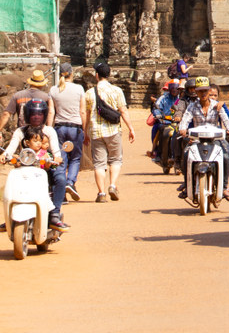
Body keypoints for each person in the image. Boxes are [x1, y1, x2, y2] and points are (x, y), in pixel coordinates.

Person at [0, 99, 68, 230]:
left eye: (40, 114)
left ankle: (54, 214)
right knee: (11, 182)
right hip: (23, 169)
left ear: (44, 115)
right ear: (27, 115)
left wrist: (57, 157)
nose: (36, 117)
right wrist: (5, 155)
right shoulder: (20, 131)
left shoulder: (49, 130)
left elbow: (55, 148)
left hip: (44, 168)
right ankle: (9, 216)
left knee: (60, 179)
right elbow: (11, 146)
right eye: (33, 114)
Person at [83, 62, 135, 203]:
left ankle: (101, 193)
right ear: (109, 75)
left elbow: (86, 115)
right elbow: (123, 110)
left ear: (97, 75)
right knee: (115, 159)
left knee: (99, 164)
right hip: (113, 130)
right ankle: (112, 185)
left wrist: (85, 132)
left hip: (96, 132)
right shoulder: (117, 91)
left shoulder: (89, 93)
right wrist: (130, 128)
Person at [178, 77, 229, 202]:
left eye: (205, 91)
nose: (203, 94)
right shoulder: (192, 107)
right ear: (196, 93)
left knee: (226, 156)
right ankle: (188, 185)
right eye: (200, 91)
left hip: (216, 139)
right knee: (186, 154)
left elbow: (226, 119)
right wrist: (182, 129)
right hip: (197, 139)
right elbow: (185, 120)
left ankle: (224, 187)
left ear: (209, 91)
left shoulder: (217, 105)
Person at [48, 63, 86, 202]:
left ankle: (60, 191)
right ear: (72, 73)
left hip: (59, 128)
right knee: (75, 158)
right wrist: (85, 129)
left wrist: (48, 130)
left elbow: (51, 111)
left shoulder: (53, 89)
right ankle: (70, 182)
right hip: (75, 127)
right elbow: (82, 111)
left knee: (60, 159)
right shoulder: (79, 89)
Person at [152, 79, 181, 170]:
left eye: (177, 88)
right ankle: (158, 153)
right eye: (172, 88)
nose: (174, 90)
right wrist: (158, 114)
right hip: (165, 122)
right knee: (161, 131)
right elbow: (157, 107)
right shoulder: (163, 98)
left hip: (177, 123)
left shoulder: (181, 99)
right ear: (169, 88)